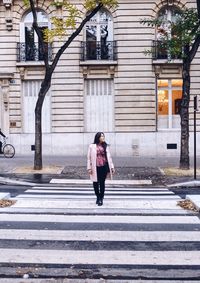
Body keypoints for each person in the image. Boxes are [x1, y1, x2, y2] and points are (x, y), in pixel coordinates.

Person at [87, 132, 115, 206]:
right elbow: (89, 158)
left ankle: (101, 198)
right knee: (95, 183)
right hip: (95, 167)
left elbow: (109, 158)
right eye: (101, 136)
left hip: (103, 167)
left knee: (102, 183)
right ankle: (97, 196)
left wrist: (112, 167)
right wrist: (89, 168)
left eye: (103, 136)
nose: (103, 137)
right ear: (98, 137)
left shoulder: (105, 146)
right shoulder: (91, 146)